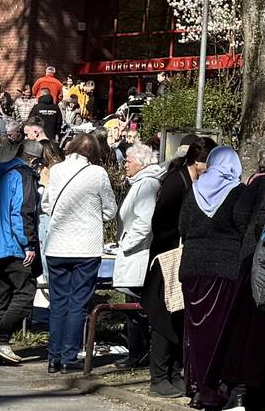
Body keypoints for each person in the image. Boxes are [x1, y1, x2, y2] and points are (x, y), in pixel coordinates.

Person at [180, 144, 259, 411]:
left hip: (192, 267)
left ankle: (198, 390)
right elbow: (243, 226)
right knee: (221, 333)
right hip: (224, 269)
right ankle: (215, 392)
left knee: (197, 332)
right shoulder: (239, 193)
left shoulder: (195, 189)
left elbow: (183, 226)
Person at [42, 132, 118, 373]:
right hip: (86, 246)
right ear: (94, 153)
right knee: (78, 304)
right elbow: (110, 210)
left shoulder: (56, 171)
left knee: (58, 303)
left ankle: (53, 357)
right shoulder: (98, 174)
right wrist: (94, 216)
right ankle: (68, 357)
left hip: (57, 245)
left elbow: (46, 204)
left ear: (71, 147)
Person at [145, 135, 211, 397]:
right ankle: (158, 377)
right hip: (167, 259)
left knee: (177, 316)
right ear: (197, 161)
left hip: (180, 258)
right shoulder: (176, 182)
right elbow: (160, 222)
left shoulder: (193, 180)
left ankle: (173, 372)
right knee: (163, 318)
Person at [0, 132, 45, 365]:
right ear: (34, 160)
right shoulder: (23, 176)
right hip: (11, 244)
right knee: (26, 291)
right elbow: (21, 213)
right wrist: (29, 244)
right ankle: (0, 339)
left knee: (0, 294)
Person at [114, 141, 166, 373]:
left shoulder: (147, 185)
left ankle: (139, 352)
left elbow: (144, 224)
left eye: (129, 160)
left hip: (138, 255)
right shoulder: (141, 183)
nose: (125, 164)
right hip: (134, 253)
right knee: (132, 306)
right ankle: (137, 351)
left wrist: (125, 244)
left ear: (142, 163)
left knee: (136, 307)